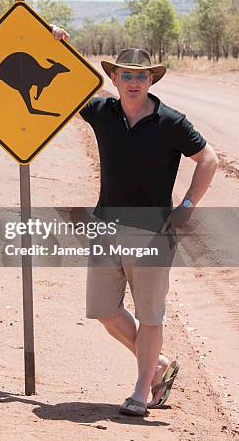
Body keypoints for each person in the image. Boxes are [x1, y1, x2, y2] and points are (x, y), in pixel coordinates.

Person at [50, 31, 218, 416]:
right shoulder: (102, 113)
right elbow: (69, 82)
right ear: (115, 78)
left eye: (141, 76)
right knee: (104, 310)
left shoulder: (171, 122)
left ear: (151, 80)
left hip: (153, 231)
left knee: (149, 315)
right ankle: (158, 365)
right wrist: (62, 46)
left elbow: (208, 159)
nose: (133, 82)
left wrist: (189, 204)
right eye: (125, 75)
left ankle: (142, 391)